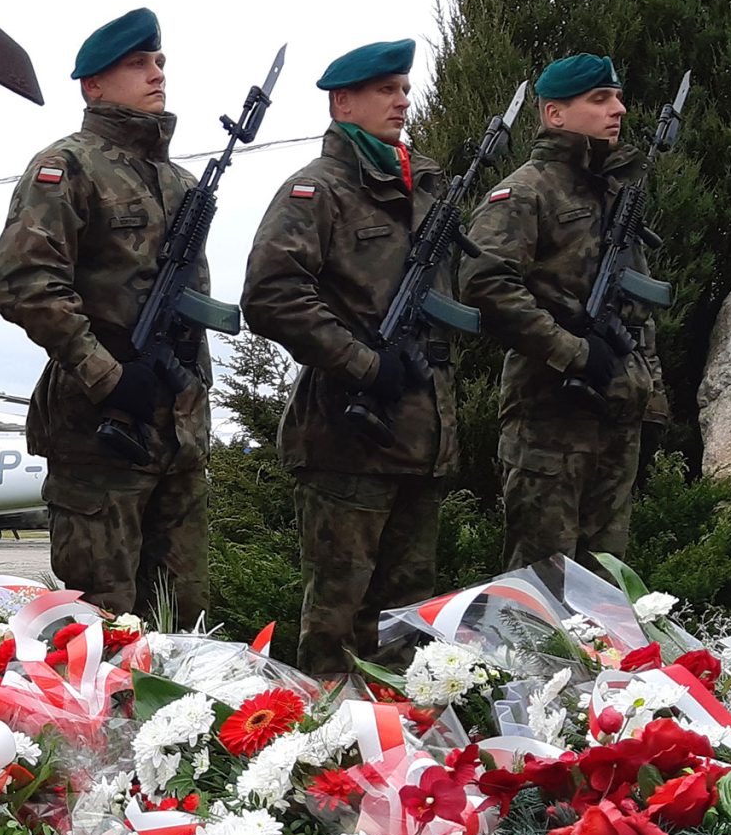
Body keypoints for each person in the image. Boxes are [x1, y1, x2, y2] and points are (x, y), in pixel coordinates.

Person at [241, 39, 457, 674]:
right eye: (387, 88)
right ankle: (331, 756)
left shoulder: (424, 189)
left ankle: (409, 754)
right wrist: (365, 363)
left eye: (404, 87)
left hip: (420, 436)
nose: (403, 99)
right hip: (348, 434)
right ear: (344, 102)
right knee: (338, 619)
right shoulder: (317, 190)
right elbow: (270, 295)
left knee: (411, 622)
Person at [0, 8, 211, 620]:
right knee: (99, 627)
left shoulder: (181, 182)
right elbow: (24, 282)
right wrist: (108, 374)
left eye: (160, 62)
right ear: (94, 85)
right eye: (138, 64)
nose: (156, 73)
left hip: (176, 437)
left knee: (183, 625)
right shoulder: (67, 167)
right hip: (99, 434)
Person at [458, 53, 667, 573]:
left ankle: (602, 660)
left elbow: (636, 305)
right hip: (550, 415)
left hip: (616, 413)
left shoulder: (615, 191)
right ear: (555, 114)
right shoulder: (525, 191)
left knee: (607, 583)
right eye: (599, 99)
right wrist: (572, 351)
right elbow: (483, 282)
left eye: (616, 97)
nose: (617, 109)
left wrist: (651, 391)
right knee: (542, 582)